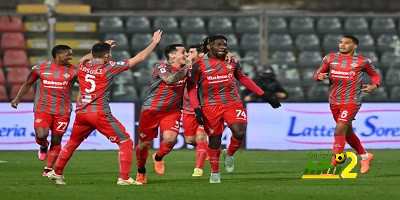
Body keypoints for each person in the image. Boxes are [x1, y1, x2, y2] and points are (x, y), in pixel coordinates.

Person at [46, 30, 162, 185]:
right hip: (99, 112)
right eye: (110, 53)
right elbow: (140, 58)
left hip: (81, 112)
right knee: (125, 142)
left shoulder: (82, 64)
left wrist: (102, 47)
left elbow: (87, 57)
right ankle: (124, 177)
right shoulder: (109, 67)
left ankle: (57, 172)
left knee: (72, 142)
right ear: (107, 56)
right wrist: (154, 42)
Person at [187, 35, 281, 183]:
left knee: (240, 132)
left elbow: (242, 78)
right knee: (214, 140)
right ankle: (215, 172)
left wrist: (265, 95)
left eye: (224, 45)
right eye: (218, 45)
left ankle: (229, 154)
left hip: (232, 102)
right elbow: (191, 88)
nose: (223, 47)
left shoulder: (232, 61)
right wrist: (197, 109)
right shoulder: (199, 65)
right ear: (209, 47)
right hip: (210, 106)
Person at [314, 35, 380, 174]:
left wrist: (374, 86)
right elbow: (317, 74)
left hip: (351, 101)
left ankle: (333, 167)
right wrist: (319, 77)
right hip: (334, 101)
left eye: (347, 43)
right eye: (341, 42)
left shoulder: (363, 61)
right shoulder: (329, 58)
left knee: (338, 131)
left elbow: (375, 75)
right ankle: (365, 156)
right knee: (347, 132)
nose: (342, 45)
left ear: (354, 46)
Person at [11, 45, 76, 177]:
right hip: (43, 108)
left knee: (57, 140)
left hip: (63, 111)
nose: (71, 57)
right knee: (41, 135)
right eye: (68, 55)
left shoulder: (74, 71)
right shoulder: (39, 68)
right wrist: (17, 98)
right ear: (59, 55)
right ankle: (43, 145)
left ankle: (48, 168)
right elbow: (28, 83)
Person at [135, 43, 194, 184]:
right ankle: (141, 171)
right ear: (172, 55)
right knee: (144, 145)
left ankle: (158, 157)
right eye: (183, 52)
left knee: (170, 139)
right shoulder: (161, 66)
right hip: (151, 110)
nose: (186, 55)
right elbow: (170, 79)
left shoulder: (187, 69)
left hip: (171, 111)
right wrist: (187, 67)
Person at [182, 43, 208, 177]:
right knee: (190, 140)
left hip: (204, 108)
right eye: (188, 52)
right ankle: (210, 150)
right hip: (187, 109)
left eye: (192, 52)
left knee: (201, 136)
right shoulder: (183, 66)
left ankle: (198, 169)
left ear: (200, 54)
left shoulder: (206, 66)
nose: (188, 54)